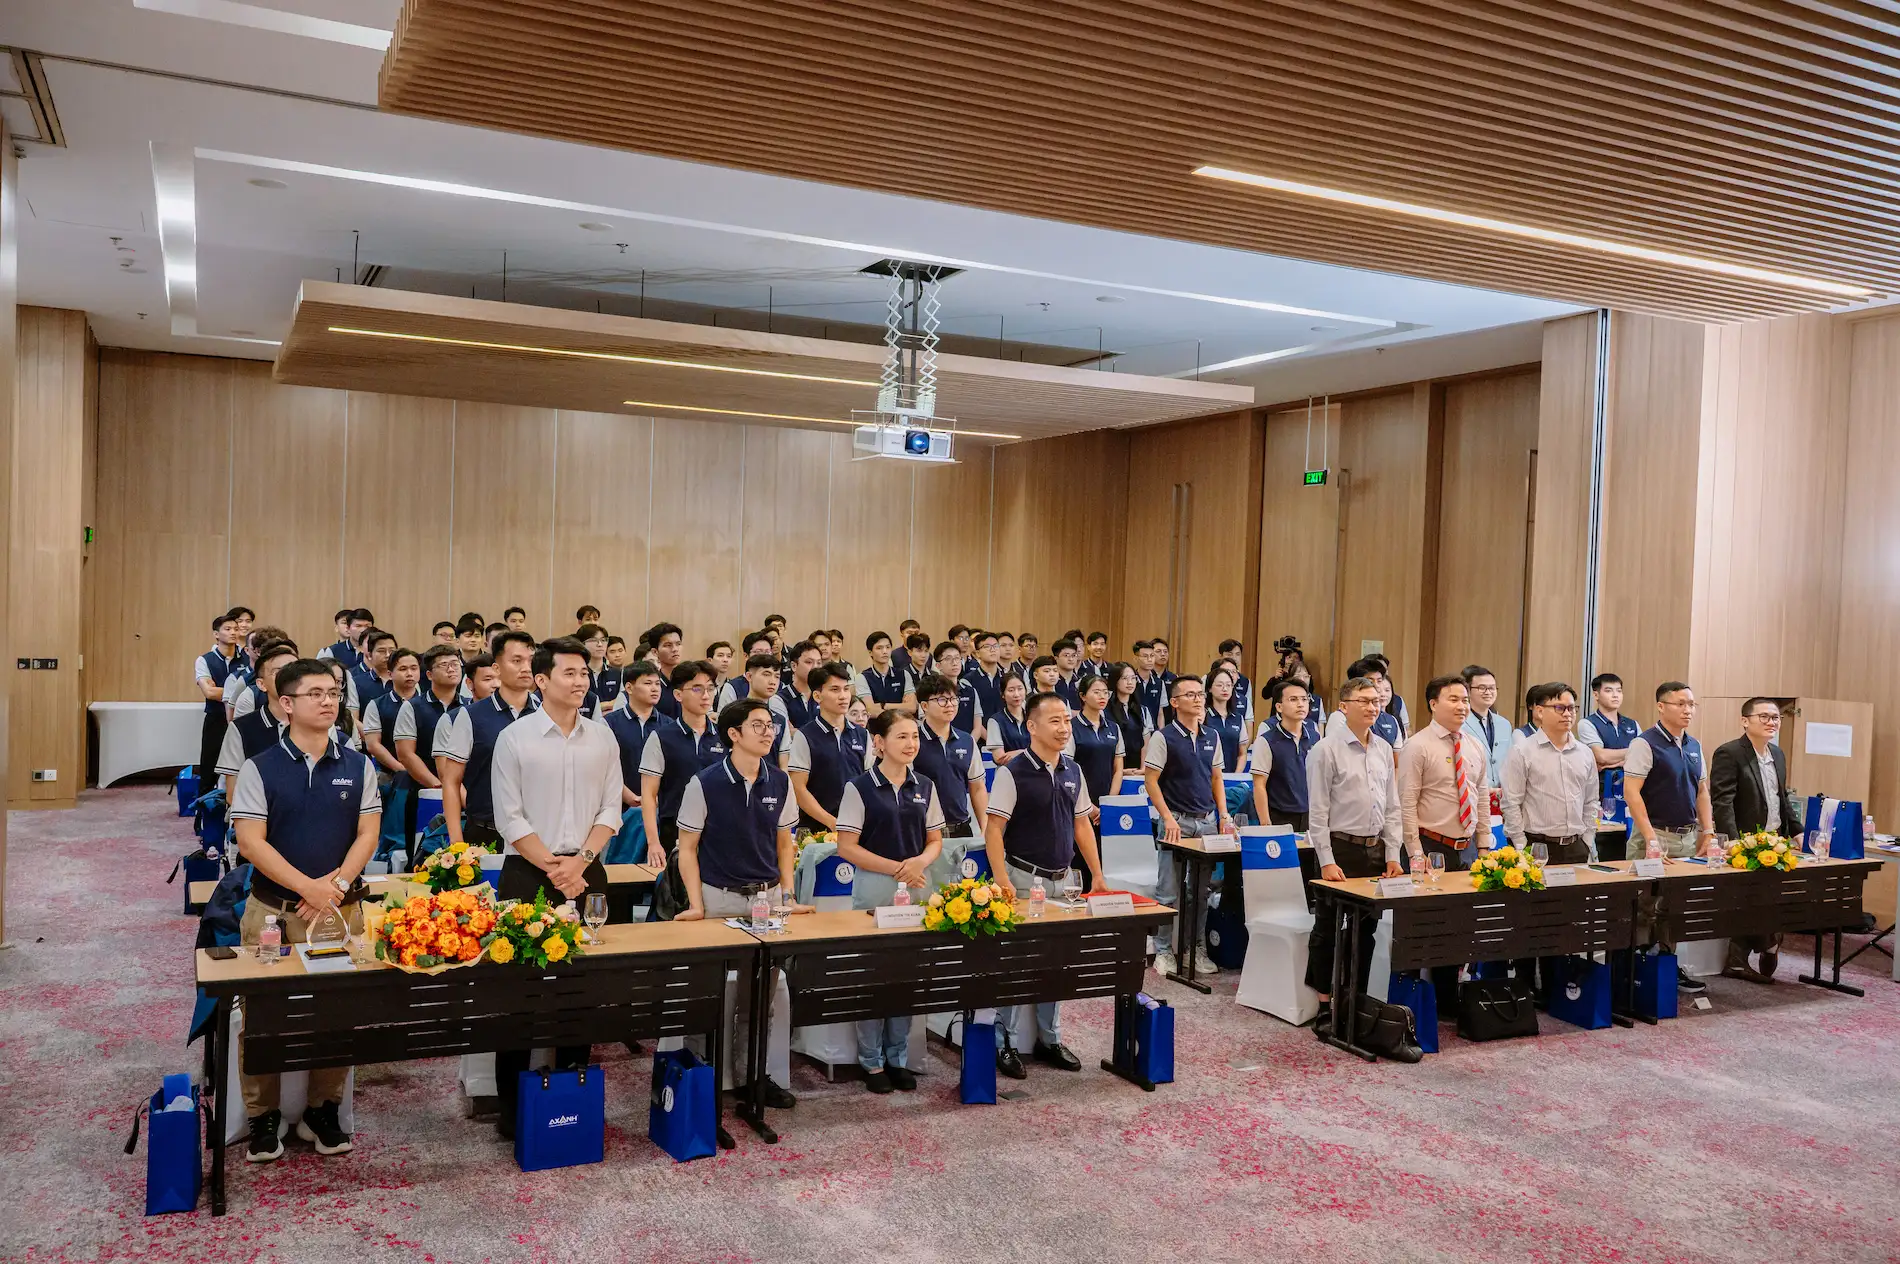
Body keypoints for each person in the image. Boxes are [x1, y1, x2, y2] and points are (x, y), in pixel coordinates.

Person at [229, 658, 379, 1162]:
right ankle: (262, 1115)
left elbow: (368, 833)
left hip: (339, 912)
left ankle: (323, 1107)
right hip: (273, 911)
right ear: (286, 703)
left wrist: (333, 887)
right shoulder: (260, 767)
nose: (328, 700)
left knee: (335, 1013)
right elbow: (251, 842)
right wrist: (308, 889)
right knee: (263, 1016)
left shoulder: (359, 764)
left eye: (333, 692)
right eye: (315, 693)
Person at [485, 636, 623, 1136]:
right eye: (569, 673)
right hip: (528, 872)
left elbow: (612, 808)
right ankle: (512, 1107)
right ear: (541, 680)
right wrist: (553, 867)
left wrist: (580, 862)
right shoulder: (515, 738)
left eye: (584, 673)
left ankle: (572, 1088)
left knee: (582, 987)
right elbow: (509, 815)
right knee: (519, 991)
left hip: (588, 872)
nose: (580, 681)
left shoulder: (602, 737)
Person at [674, 698, 809, 1108]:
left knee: (760, 997)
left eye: (770, 726)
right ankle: (701, 1078)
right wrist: (696, 904)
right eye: (758, 726)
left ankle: (755, 1077)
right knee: (708, 997)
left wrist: (788, 896)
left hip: (765, 901)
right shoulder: (705, 782)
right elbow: (687, 848)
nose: (769, 732)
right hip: (718, 898)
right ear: (733, 734)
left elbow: (785, 844)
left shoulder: (780, 782)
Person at [985, 691, 1108, 1078]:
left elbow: (1082, 824)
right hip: (1022, 879)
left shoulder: (1073, 769)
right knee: (1015, 965)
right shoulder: (1013, 771)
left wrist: (1097, 875)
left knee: (1057, 963)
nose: (1063, 728)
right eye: (1054, 721)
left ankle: (1049, 1038)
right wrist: (1002, 880)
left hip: (1063, 881)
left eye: (1067, 721)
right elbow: (994, 829)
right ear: (1031, 726)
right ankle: (1003, 1042)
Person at [833, 709, 945, 1093]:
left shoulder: (925, 784)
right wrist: (900, 868)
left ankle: (898, 1058)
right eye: (901, 737)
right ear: (879, 742)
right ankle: (871, 1062)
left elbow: (935, 840)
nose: (911, 743)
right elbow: (847, 847)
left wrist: (919, 864)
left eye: (914, 736)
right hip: (875, 889)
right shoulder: (859, 787)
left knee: (907, 979)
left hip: (917, 888)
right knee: (874, 978)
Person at [1305, 677, 1404, 1019]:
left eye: (1376, 701)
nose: (1372, 706)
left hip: (1373, 850)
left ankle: (1356, 1001)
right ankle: (1323, 1002)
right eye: (1363, 700)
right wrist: (1326, 860)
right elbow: (1317, 812)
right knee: (1328, 929)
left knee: (1366, 930)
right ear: (1343, 707)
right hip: (1339, 848)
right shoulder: (1326, 749)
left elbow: (1392, 807)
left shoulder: (1383, 748)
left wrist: (1392, 854)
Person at [1624, 680, 1714, 995]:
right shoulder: (1645, 743)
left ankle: (1666, 966)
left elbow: (1702, 791)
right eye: (1680, 704)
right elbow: (1631, 793)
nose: (1687, 710)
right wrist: (1649, 838)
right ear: (1661, 706)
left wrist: (1709, 831)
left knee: (1674, 908)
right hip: (1655, 835)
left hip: (1687, 837)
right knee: (1645, 906)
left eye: (1691, 704)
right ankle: (1635, 970)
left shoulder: (1693, 745)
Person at [1143, 674, 1233, 978]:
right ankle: (1164, 950)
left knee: (1201, 891)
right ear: (1175, 701)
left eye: (1200, 694)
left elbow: (1216, 778)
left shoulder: (1212, 736)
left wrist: (1223, 815)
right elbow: (1151, 781)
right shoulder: (1163, 736)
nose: (1197, 699)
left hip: (1206, 822)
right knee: (1168, 891)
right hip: (1176, 821)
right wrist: (1167, 817)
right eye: (1190, 694)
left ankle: (1195, 948)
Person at [1710, 698, 1801, 982]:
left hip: (1776, 839)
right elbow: (1723, 800)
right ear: (1745, 720)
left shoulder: (1778, 754)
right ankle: (1757, 949)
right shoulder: (1730, 753)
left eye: (1775, 717)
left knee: (1773, 898)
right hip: (1746, 841)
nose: (1771, 722)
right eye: (1764, 716)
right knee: (1748, 899)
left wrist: (1797, 829)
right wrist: (1731, 841)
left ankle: (1762, 945)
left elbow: (1781, 798)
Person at [437, 631, 539, 852]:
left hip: (539, 833)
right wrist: (456, 843)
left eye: (531, 660)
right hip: (485, 832)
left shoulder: (546, 713)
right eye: (517, 661)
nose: (526, 667)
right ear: (496, 668)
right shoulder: (471, 716)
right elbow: (451, 781)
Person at [638, 661, 727, 910]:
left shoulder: (725, 735)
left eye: (710, 688)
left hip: (717, 830)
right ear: (678, 694)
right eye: (697, 689)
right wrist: (653, 842)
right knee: (678, 900)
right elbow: (648, 794)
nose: (706, 695)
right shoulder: (662, 737)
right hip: (673, 830)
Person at [786, 661, 871, 831]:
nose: (843, 696)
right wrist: (831, 821)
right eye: (835, 690)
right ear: (818, 696)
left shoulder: (863, 735)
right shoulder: (805, 735)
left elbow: (869, 784)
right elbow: (798, 788)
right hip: (817, 829)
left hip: (857, 827)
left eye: (846, 689)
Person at [393, 645, 464, 839]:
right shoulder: (412, 707)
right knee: (420, 848)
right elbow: (406, 754)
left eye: (455, 664)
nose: (452, 669)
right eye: (444, 665)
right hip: (424, 788)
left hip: (464, 791)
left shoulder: (469, 706)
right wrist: (437, 785)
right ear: (430, 675)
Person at [214, 640, 300, 799]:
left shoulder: (317, 724)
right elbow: (232, 794)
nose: (289, 676)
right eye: (278, 671)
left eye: (295, 670)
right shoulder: (241, 728)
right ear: (261, 684)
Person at [360, 647, 422, 859]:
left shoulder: (426, 703)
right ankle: (391, 849)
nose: (410, 673)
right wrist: (403, 768)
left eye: (414, 668)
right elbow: (373, 745)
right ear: (390, 672)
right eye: (403, 669)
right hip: (392, 772)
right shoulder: (377, 705)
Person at [913, 673, 988, 845]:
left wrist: (985, 829)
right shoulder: (913, 740)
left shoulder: (966, 740)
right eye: (942, 700)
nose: (950, 705)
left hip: (962, 829)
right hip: (923, 832)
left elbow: (977, 788)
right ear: (924, 705)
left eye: (954, 699)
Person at [604, 661, 665, 863]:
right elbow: (604, 768)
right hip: (619, 809)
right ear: (629, 687)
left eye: (657, 683)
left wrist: (651, 800)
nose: (655, 688)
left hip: (658, 811)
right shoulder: (610, 723)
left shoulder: (668, 725)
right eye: (648, 683)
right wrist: (628, 796)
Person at [195, 611, 245, 788]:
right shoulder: (205, 660)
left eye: (236, 629)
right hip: (216, 719)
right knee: (209, 765)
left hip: (242, 717)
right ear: (216, 634)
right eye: (228, 629)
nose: (233, 632)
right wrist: (240, 691)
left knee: (242, 764)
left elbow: (254, 690)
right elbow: (208, 692)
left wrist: (221, 690)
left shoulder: (247, 658)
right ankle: (203, 811)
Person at [1066, 672, 1125, 811]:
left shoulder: (1114, 728)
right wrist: (1088, 807)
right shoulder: (1071, 727)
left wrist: (1110, 802)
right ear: (1083, 696)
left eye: (1105, 692)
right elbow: (1068, 770)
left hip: (1108, 802)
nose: (1102, 696)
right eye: (1096, 692)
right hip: (1079, 802)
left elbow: (1118, 768)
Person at [1325, 657, 1404, 749]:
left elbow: (1396, 757)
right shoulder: (1340, 717)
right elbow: (1334, 751)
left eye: (1379, 680)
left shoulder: (1390, 720)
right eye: (1370, 681)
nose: (1377, 685)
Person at [1461, 665, 1514, 793]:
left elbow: (1510, 761)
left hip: (1501, 796)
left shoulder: (1504, 724)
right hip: (1472, 793)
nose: (1488, 692)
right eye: (1482, 688)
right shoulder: (1460, 723)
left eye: (1492, 688)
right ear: (1467, 690)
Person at [856, 631, 916, 716]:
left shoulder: (904, 674)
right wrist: (901, 707)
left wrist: (883, 705)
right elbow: (871, 711)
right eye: (879, 648)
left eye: (888, 647)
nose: (885, 651)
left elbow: (912, 707)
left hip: (900, 725)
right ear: (870, 652)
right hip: (875, 727)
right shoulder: (862, 677)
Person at [932, 641, 984, 736]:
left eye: (957, 658)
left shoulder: (970, 691)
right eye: (948, 659)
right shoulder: (931, 691)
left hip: (967, 745)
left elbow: (977, 727)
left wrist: (967, 744)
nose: (954, 663)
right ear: (938, 666)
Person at [1204, 664, 1247, 777]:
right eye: (1219, 685)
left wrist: (1236, 776)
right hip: (1207, 777)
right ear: (1209, 688)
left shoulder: (1238, 718)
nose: (1225, 689)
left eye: (1229, 685)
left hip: (1231, 777)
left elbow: (1242, 753)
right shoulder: (1202, 716)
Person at [1103, 662, 1147, 769]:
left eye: (1133, 678)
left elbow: (1146, 743)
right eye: (1125, 678)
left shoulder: (1142, 710)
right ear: (1115, 680)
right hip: (1112, 768)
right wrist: (1119, 770)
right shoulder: (1104, 709)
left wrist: (1142, 769)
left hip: (1136, 769)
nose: (1130, 682)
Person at [717, 631, 776, 709]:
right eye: (758, 652)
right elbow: (723, 719)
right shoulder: (732, 687)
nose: (764, 657)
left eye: (767, 652)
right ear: (746, 656)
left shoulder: (779, 685)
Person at [984, 672, 1032, 765]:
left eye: (1020, 689)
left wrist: (1016, 753)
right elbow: (1000, 758)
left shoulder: (1033, 716)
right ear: (1003, 694)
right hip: (1009, 772)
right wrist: (1029, 752)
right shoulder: (996, 720)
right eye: (1011, 690)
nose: (1016, 694)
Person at [778, 640, 824, 730]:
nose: (815, 667)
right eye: (809, 662)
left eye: (819, 663)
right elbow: (785, 734)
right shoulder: (780, 699)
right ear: (794, 666)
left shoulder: (824, 696)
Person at [576, 623, 618, 716]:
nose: (600, 644)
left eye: (603, 640)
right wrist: (607, 704)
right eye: (594, 640)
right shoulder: (577, 674)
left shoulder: (618, 674)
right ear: (582, 643)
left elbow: (620, 704)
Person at [647, 623, 686, 717]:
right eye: (668, 645)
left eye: (678, 644)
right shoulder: (652, 686)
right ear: (655, 652)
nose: (675, 649)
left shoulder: (691, 681)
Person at [967, 630, 1007, 721]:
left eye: (996, 646)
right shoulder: (968, 681)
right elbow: (970, 714)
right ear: (977, 653)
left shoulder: (1007, 679)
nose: (992, 650)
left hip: (1005, 731)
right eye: (987, 646)